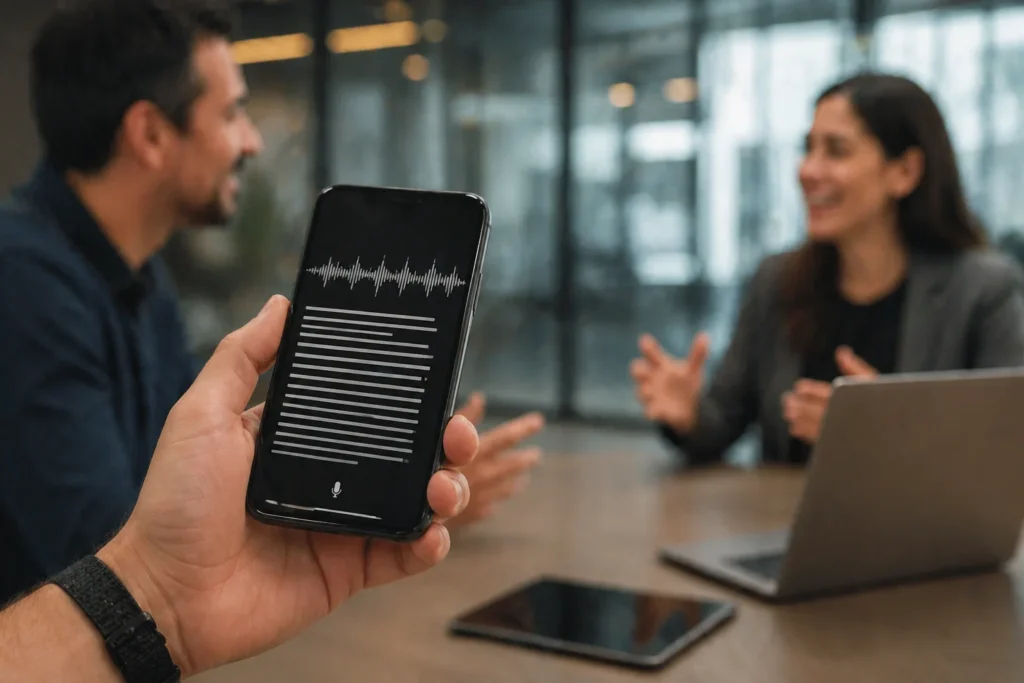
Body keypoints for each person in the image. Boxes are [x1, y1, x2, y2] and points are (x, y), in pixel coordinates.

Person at [0, 0, 542, 604]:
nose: (252, 141)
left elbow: (186, 484)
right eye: (232, 113)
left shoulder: (141, 274)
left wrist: (374, 487)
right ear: (150, 133)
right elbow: (98, 558)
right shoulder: (19, 285)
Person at [0, 295, 480, 680]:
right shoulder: (26, 286)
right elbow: (86, 528)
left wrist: (157, 591)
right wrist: (154, 590)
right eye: (240, 160)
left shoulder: (152, 293)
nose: (246, 164)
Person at [632, 72, 1024, 467]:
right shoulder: (777, 280)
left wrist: (894, 433)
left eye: (836, 151)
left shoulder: (982, 290)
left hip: (922, 529)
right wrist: (690, 416)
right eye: (808, 149)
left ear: (905, 171)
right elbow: (723, 421)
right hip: (780, 526)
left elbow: (1006, 451)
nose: (808, 171)